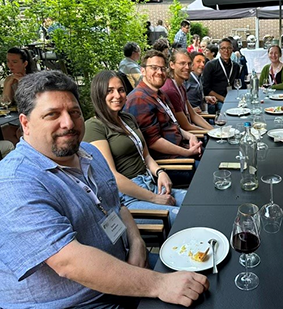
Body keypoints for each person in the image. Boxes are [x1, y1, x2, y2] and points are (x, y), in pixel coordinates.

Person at [0, 70, 209, 308]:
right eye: (52, 115)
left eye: (74, 112)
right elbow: (69, 262)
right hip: (80, 301)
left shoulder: (91, 153)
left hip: (129, 268)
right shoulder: (13, 182)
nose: (68, 123)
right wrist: (159, 284)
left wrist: (137, 242)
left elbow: (116, 206)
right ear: (25, 124)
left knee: (207, 280)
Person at [84, 71, 186, 226]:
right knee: (183, 219)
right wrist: (154, 199)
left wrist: (160, 172)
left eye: (121, 90)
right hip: (128, 199)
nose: (117, 95)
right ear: (98, 94)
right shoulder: (94, 126)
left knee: (195, 203)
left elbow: (145, 155)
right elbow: (113, 177)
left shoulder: (127, 119)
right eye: (109, 91)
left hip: (150, 184)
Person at [124, 50, 203, 161]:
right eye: (154, 68)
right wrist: (187, 153)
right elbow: (154, 142)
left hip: (183, 149)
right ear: (143, 71)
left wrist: (191, 136)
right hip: (171, 162)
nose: (160, 72)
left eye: (162, 68)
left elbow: (173, 125)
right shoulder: (139, 99)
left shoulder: (160, 94)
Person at [161, 49, 213, 131]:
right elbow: (186, 126)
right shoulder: (170, 90)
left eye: (189, 63)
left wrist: (213, 129)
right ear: (172, 65)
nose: (187, 67)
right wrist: (211, 132)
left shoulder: (180, 85)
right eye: (182, 63)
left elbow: (193, 115)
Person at [202, 38, 240, 114]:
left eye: (229, 48)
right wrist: (224, 99)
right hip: (217, 100)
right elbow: (206, 88)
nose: (226, 51)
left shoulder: (236, 66)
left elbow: (237, 84)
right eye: (223, 48)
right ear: (219, 50)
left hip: (232, 99)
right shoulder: (211, 65)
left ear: (232, 50)